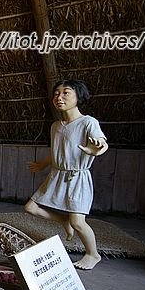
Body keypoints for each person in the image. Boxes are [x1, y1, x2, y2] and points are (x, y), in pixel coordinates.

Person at [25, 80, 108, 270]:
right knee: (30, 207)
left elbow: (102, 143)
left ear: (78, 97)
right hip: (57, 175)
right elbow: (57, 153)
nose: (59, 97)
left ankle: (92, 254)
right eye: (56, 93)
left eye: (66, 93)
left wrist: (97, 149)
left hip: (77, 177)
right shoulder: (56, 126)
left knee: (78, 222)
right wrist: (42, 164)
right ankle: (63, 221)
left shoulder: (88, 122)